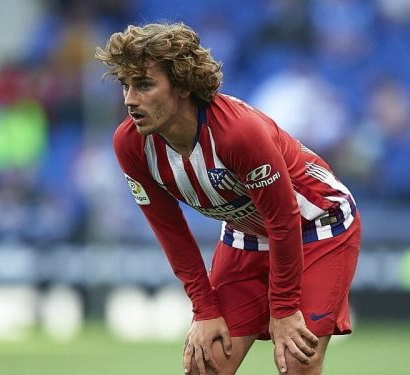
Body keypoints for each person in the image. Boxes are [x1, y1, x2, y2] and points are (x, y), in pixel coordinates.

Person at [95, 22, 361, 375]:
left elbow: (284, 220)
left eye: (144, 85)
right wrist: (204, 310)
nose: (130, 99)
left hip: (318, 227)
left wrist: (282, 310)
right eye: (125, 86)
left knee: (298, 360)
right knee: (205, 364)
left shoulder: (237, 133)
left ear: (183, 87)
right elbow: (171, 232)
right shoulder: (130, 143)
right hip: (246, 235)